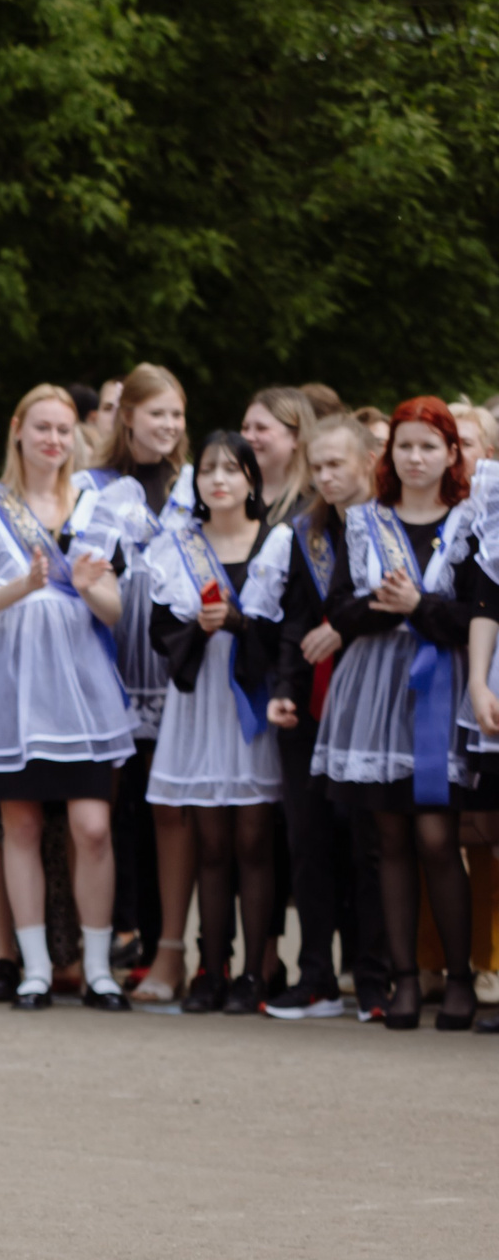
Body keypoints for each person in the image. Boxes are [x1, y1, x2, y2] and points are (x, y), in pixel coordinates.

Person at [0, 383, 137, 1011]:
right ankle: (32, 968)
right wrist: (24, 585)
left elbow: (113, 612)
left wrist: (88, 586)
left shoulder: (93, 505)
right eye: (42, 428)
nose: (54, 440)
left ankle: (98, 969)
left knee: (91, 827)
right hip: (10, 689)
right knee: (21, 825)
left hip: (80, 691)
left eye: (64, 429)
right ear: (19, 432)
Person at [314, 399, 484, 1030]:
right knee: (388, 839)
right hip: (376, 689)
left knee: (438, 836)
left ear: (451, 456)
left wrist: (418, 605)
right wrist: (387, 608)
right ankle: (402, 978)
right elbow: (340, 612)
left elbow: (477, 616)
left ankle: (459, 978)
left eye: (428, 447)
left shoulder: (471, 523)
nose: (415, 458)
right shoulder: (365, 523)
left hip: (439, 685)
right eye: (404, 447)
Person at [142, 431, 288, 1014]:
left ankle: (256, 970)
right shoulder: (177, 546)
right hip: (199, 697)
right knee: (207, 841)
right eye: (208, 469)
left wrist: (239, 624)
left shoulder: (276, 543)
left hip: (251, 701)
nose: (219, 479)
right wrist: (200, 629)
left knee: (253, 838)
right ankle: (210, 967)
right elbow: (160, 632)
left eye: (232, 468)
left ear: (252, 479)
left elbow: (287, 632)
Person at [89, 364, 195, 1002]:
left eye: (178, 416)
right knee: (119, 809)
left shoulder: (193, 485)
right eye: (158, 414)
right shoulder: (95, 486)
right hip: (111, 661)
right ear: (127, 415)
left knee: (171, 807)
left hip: (178, 668)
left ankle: (168, 949)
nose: (170, 426)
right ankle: (124, 936)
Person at [266, 417, 377, 1020]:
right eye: (319, 466)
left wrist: (345, 627)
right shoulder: (304, 532)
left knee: (367, 838)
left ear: (366, 461)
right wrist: (283, 686)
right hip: (310, 701)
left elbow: (398, 598)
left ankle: (375, 973)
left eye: (338, 464)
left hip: (374, 700)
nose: (327, 476)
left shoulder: (388, 523)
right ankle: (316, 976)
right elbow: (292, 619)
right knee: (307, 838)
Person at [241, 388, 316, 522]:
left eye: (261, 428)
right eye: (245, 428)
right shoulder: (231, 496)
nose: (248, 437)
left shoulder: (315, 502)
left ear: (296, 437)